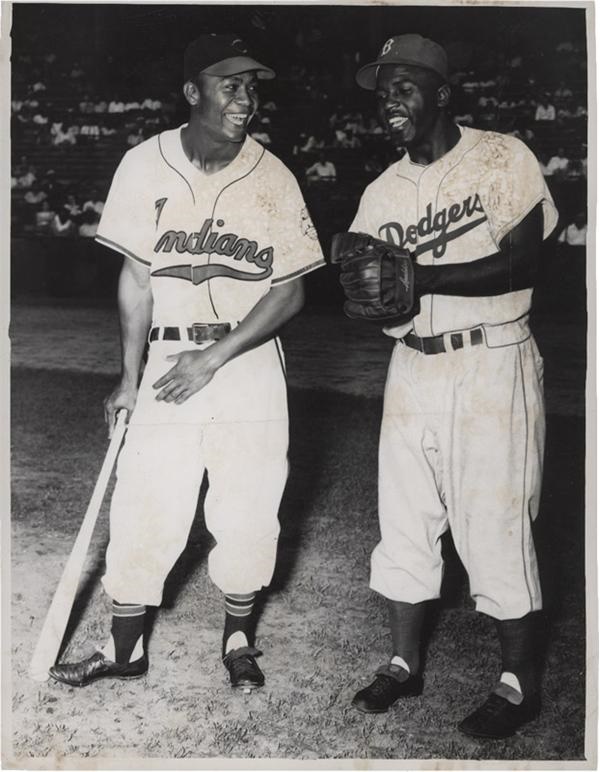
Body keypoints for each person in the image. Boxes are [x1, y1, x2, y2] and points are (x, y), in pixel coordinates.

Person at [48, 33, 325, 692]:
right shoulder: (144, 165)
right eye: (231, 85)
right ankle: (124, 650)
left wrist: (215, 358)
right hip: (170, 357)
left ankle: (237, 640)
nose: (247, 99)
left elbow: (291, 290)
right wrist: (126, 374)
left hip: (247, 358)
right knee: (146, 500)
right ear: (192, 91)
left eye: (253, 86)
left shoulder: (273, 174)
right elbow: (136, 279)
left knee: (250, 505)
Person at [341, 34, 558, 739]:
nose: (389, 103)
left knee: (494, 525)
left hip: (492, 361)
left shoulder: (501, 156)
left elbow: (526, 263)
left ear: (440, 91)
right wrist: (369, 295)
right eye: (382, 92)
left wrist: (423, 277)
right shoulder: (381, 192)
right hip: (413, 366)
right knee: (405, 520)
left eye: (403, 86)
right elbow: (365, 289)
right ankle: (404, 664)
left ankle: (518, 685)